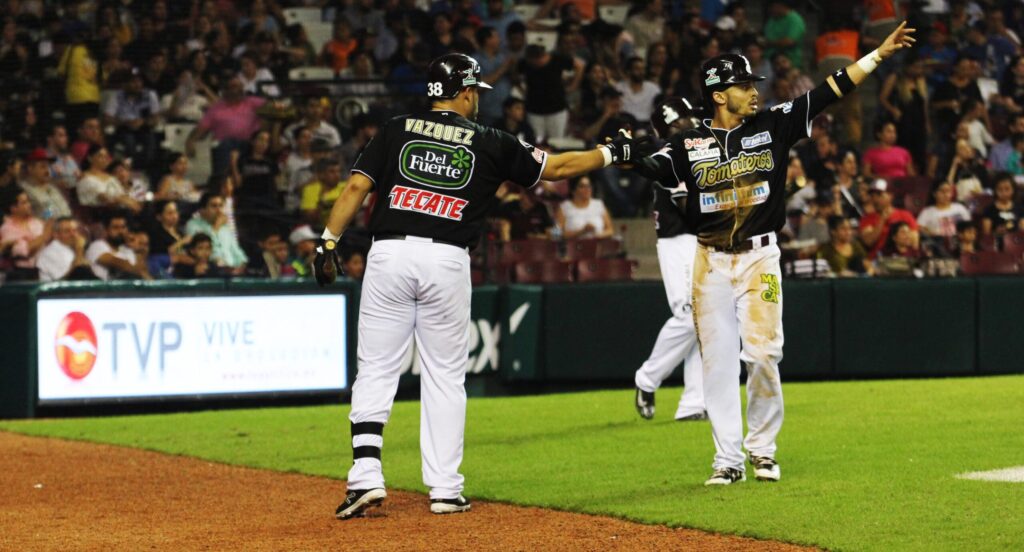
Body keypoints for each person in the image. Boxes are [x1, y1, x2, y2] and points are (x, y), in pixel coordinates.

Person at [318, 53, 653, 519]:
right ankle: (445, 489)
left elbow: (355, 188)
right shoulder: (490, 140)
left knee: (375, 366)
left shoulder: (395, 129)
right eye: (475, 90)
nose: (477, 97)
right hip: (447, 258)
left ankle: (366, 473)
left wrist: (327, 242)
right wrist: (613, 153)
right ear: (465, 91)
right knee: (444, 375)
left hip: (389, 254)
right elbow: (554, 169)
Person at [634, 24, 915, 485]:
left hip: (759, 257)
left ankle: (762, 449)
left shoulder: (774, 123)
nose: (753, 91)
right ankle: (727, 460)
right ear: (719, 95)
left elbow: (830, 90)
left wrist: (877, 56)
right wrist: (621, 153)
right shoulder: (688, 144)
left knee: (763, 355)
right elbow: (652, 164)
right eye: (744, 85)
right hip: (710, 261)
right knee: (717, 364)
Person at [629, 97, 707, 423]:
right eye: (680, 122)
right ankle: (647, 379)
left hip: (699, 239)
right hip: (678, 239)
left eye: (688, 119)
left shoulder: (697, 147)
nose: (689, 125)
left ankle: (693, 403)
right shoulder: (669, 156)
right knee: (690, 316)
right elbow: (690, 204)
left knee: (706, 322)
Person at [185, 192, 248, 273]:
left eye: (221, 206)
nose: (219, 210)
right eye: (214, 206)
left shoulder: (225, 228)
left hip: (233, 271)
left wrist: (241, 266)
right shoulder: (193, 225)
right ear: (202, 210)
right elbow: (203, 250)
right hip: (211, 269)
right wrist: (216, 227)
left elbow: (237, 251)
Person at [860, 179, 919, 258]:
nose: (875, 199)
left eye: (879, 195)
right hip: (878, 260)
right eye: (872, 196)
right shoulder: (867, 218)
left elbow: (915, 243)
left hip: (903, 260)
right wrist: (882, 220)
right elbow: (868, 242)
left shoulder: (905, 215)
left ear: (890, 196)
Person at [0, 188, 50, 281]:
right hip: (26, 274)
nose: (29, 205)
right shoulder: (7, 228)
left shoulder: (36, 222)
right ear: (13, 208)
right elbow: (24, 251)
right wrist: (46, 233)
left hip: (48, 266)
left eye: (28, 202)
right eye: (24, 203)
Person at [76, 145, 141, 214]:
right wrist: (124, 202)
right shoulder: (86, 178)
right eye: (100, 156)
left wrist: (134, 204)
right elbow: (105, 199)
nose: (105, 159)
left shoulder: (111, 178)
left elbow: (121, 194)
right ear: (90, 158)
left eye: (106, 156)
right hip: (99, 213)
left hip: (119, 210)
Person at [85, 212, 151, 280]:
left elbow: (142, 273)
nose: (120, 231)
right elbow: (122, 265)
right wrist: (138, 253)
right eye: (115, 228)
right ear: (106, 230)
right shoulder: (97, 246)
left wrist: (139, 253)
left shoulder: (127, 250)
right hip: (100, 288)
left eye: (123, 227)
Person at [36, 217, 96, 282]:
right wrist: (79, 248)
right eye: (67, 231)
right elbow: (74, 275)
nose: (73, 234)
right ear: (56, 235)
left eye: (75, 230)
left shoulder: (70, 249)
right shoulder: (51, 252)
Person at [20, 148, 72, 220]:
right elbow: (41, 216)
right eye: (43, 167)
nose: (47, 171)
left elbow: (66, 209)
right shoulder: (25, 190)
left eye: (48, 166)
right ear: (30, 169)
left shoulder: (52, 188)